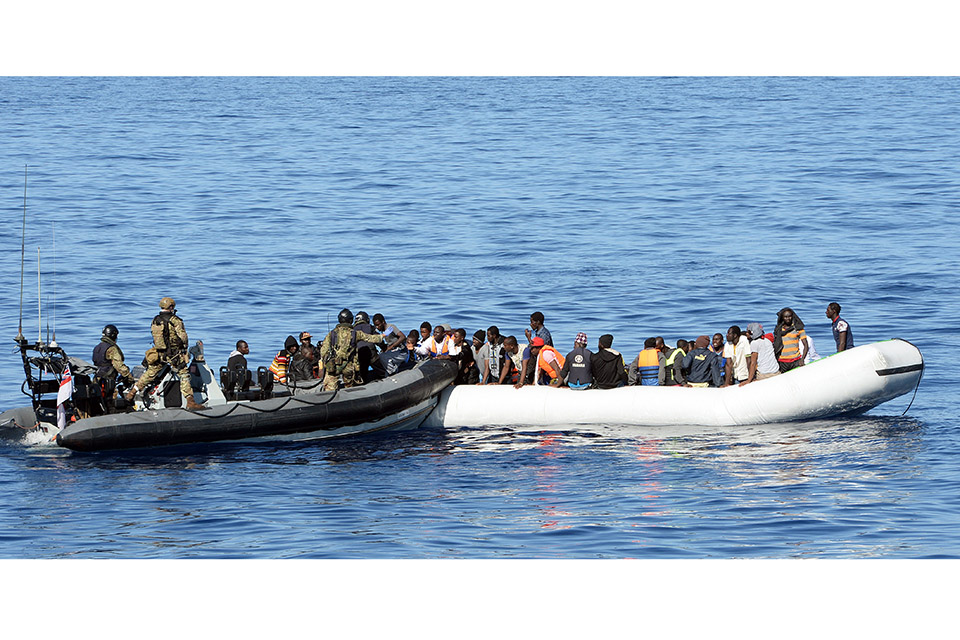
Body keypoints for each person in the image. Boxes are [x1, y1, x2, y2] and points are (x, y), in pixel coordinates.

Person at [126, 297, 206, 410]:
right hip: (174, 353)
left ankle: (132, 392)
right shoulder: (175, 320)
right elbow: (183, 337)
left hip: (159, 353)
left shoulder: (155, 320)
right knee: (184, 375)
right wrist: (184, 349)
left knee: (150, 373)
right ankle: (190, 401)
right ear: (171, 307)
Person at [319, 308, 384, 391]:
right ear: (350, 320)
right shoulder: (355, 333)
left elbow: (323, 351)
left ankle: (330, 397)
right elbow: (371, 338)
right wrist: (383, 335)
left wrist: (326, 361)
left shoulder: (331, 333)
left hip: (333, 366)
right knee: (349, 387)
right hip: (348, 367)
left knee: (329, 388)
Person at [92, 324, 135, 412]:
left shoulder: (97, 347)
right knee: (110, 402)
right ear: (113, 335)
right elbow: (119, 365)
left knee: (99, 400)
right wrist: (129, 377)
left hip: (97, 379)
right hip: (108, 381)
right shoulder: (111, 349)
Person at [354, 311, 386, 383]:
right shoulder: (370, 327)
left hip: (358, 352)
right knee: (381, 370)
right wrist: (384, 348)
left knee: (362, 370)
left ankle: (363, 382)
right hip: (370, 351)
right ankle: (386, 378)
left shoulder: (352, 330)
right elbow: (378, 339)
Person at [773, 307, 809, 373]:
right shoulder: (779, 330)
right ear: (782, 318)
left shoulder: (798, 328)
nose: (788, 318)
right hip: (782, 361)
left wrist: (802, 359)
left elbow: (806, 345)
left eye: (789, 316)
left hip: (796, 360)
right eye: (785, 317)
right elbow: (776, 345)